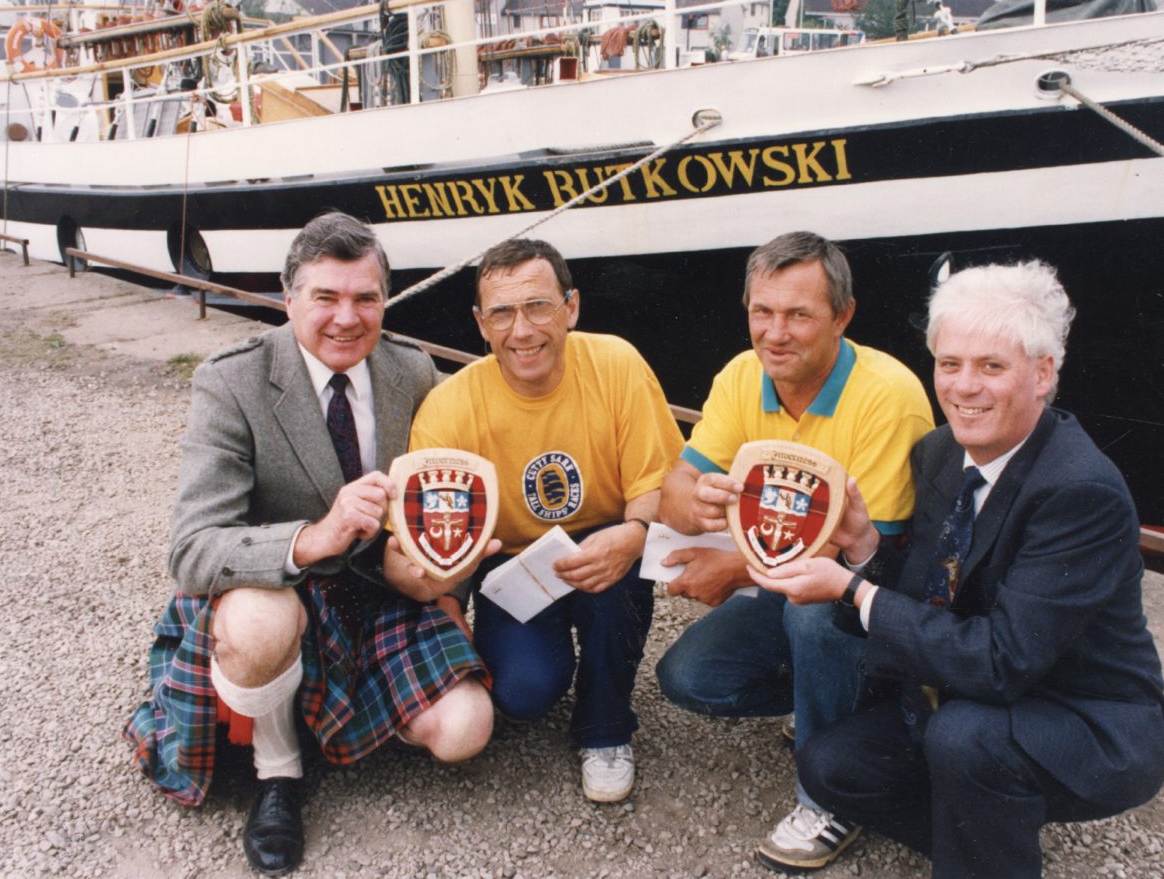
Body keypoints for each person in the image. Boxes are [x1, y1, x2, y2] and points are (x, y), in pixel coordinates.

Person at [759, 259, 1164, 877]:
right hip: (973, 691)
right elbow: (933, 592)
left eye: (991, 367)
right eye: (949, 364)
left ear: (1043, 373)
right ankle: (987, 838)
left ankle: (984, 849)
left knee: (965, 740)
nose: (963, 387)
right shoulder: (940, 451)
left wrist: (852, 591)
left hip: (1083, 715)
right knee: (831, 765)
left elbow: (1002, 661)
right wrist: (862, 546)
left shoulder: (1079, 491)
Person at [125, 212, 496, 876]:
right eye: (326, 296)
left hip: (379, 595)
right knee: (261, 623)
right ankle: (278, 767)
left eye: (366, 297)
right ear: (289, 295)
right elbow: (193, 549)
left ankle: (325, 711)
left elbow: (445, 502)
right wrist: (314, 536)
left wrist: (446, 589)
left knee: (467, 729)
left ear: (386, 298)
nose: (346, 317)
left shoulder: (413, 371)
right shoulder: (231, 379)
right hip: (281, 593)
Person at [654, 231, 933, 872]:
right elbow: (676, 482)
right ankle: (833, 713)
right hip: (791, 576)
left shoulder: (888, 397)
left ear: (843, 316)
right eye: (763, 312)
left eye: (799, 314)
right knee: (691, 679)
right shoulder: (742, 375)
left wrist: (733, 563)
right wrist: (693, 506)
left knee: (816, 612)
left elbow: (870, 556)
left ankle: (831, 794)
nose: (775, 333)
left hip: (884, 603)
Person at [408, 237, 683, 804]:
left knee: (618, 592)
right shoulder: (450, 406)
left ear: (572, 308)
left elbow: (658, 480)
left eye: (538, 306)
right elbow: (437, 534)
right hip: (513, 562)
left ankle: (605, 728)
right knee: (523, 695)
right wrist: (448, 606)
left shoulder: (616, 364)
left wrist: (633, 537)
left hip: (603, 540)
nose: (523, 330)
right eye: (503, 313)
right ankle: (548, 659)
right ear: (481, 325)